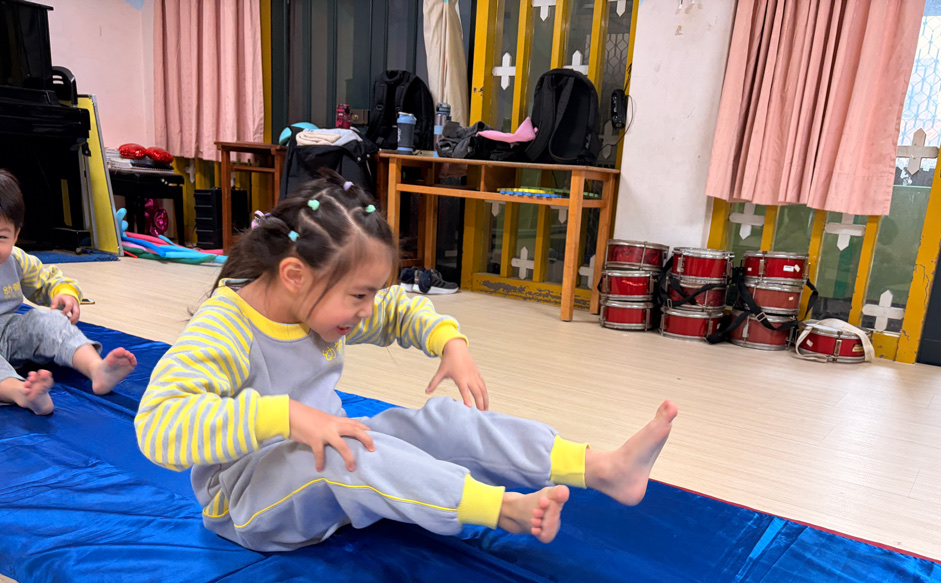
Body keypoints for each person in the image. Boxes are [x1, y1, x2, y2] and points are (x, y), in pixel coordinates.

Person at [135, 173, 676, 552]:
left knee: (438, 422)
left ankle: (603, 468)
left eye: (371, 294)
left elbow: (397, 309)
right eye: (359, 296)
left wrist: (448, 341)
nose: (368, 311)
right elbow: (159, 426)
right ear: (295, 275)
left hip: (325, 452)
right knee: (351, 453)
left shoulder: (319, 304)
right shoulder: (225, 327)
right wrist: (288, 417)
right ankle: (500, 509)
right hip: (247, 503)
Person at [0, 169, 136, 414]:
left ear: (16, 234)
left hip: (9, 332)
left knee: (49, 319)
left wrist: (63, 293)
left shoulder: (16, 260)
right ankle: (21, 393)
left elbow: (48, 279)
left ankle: (97, 369)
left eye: (1, 237)